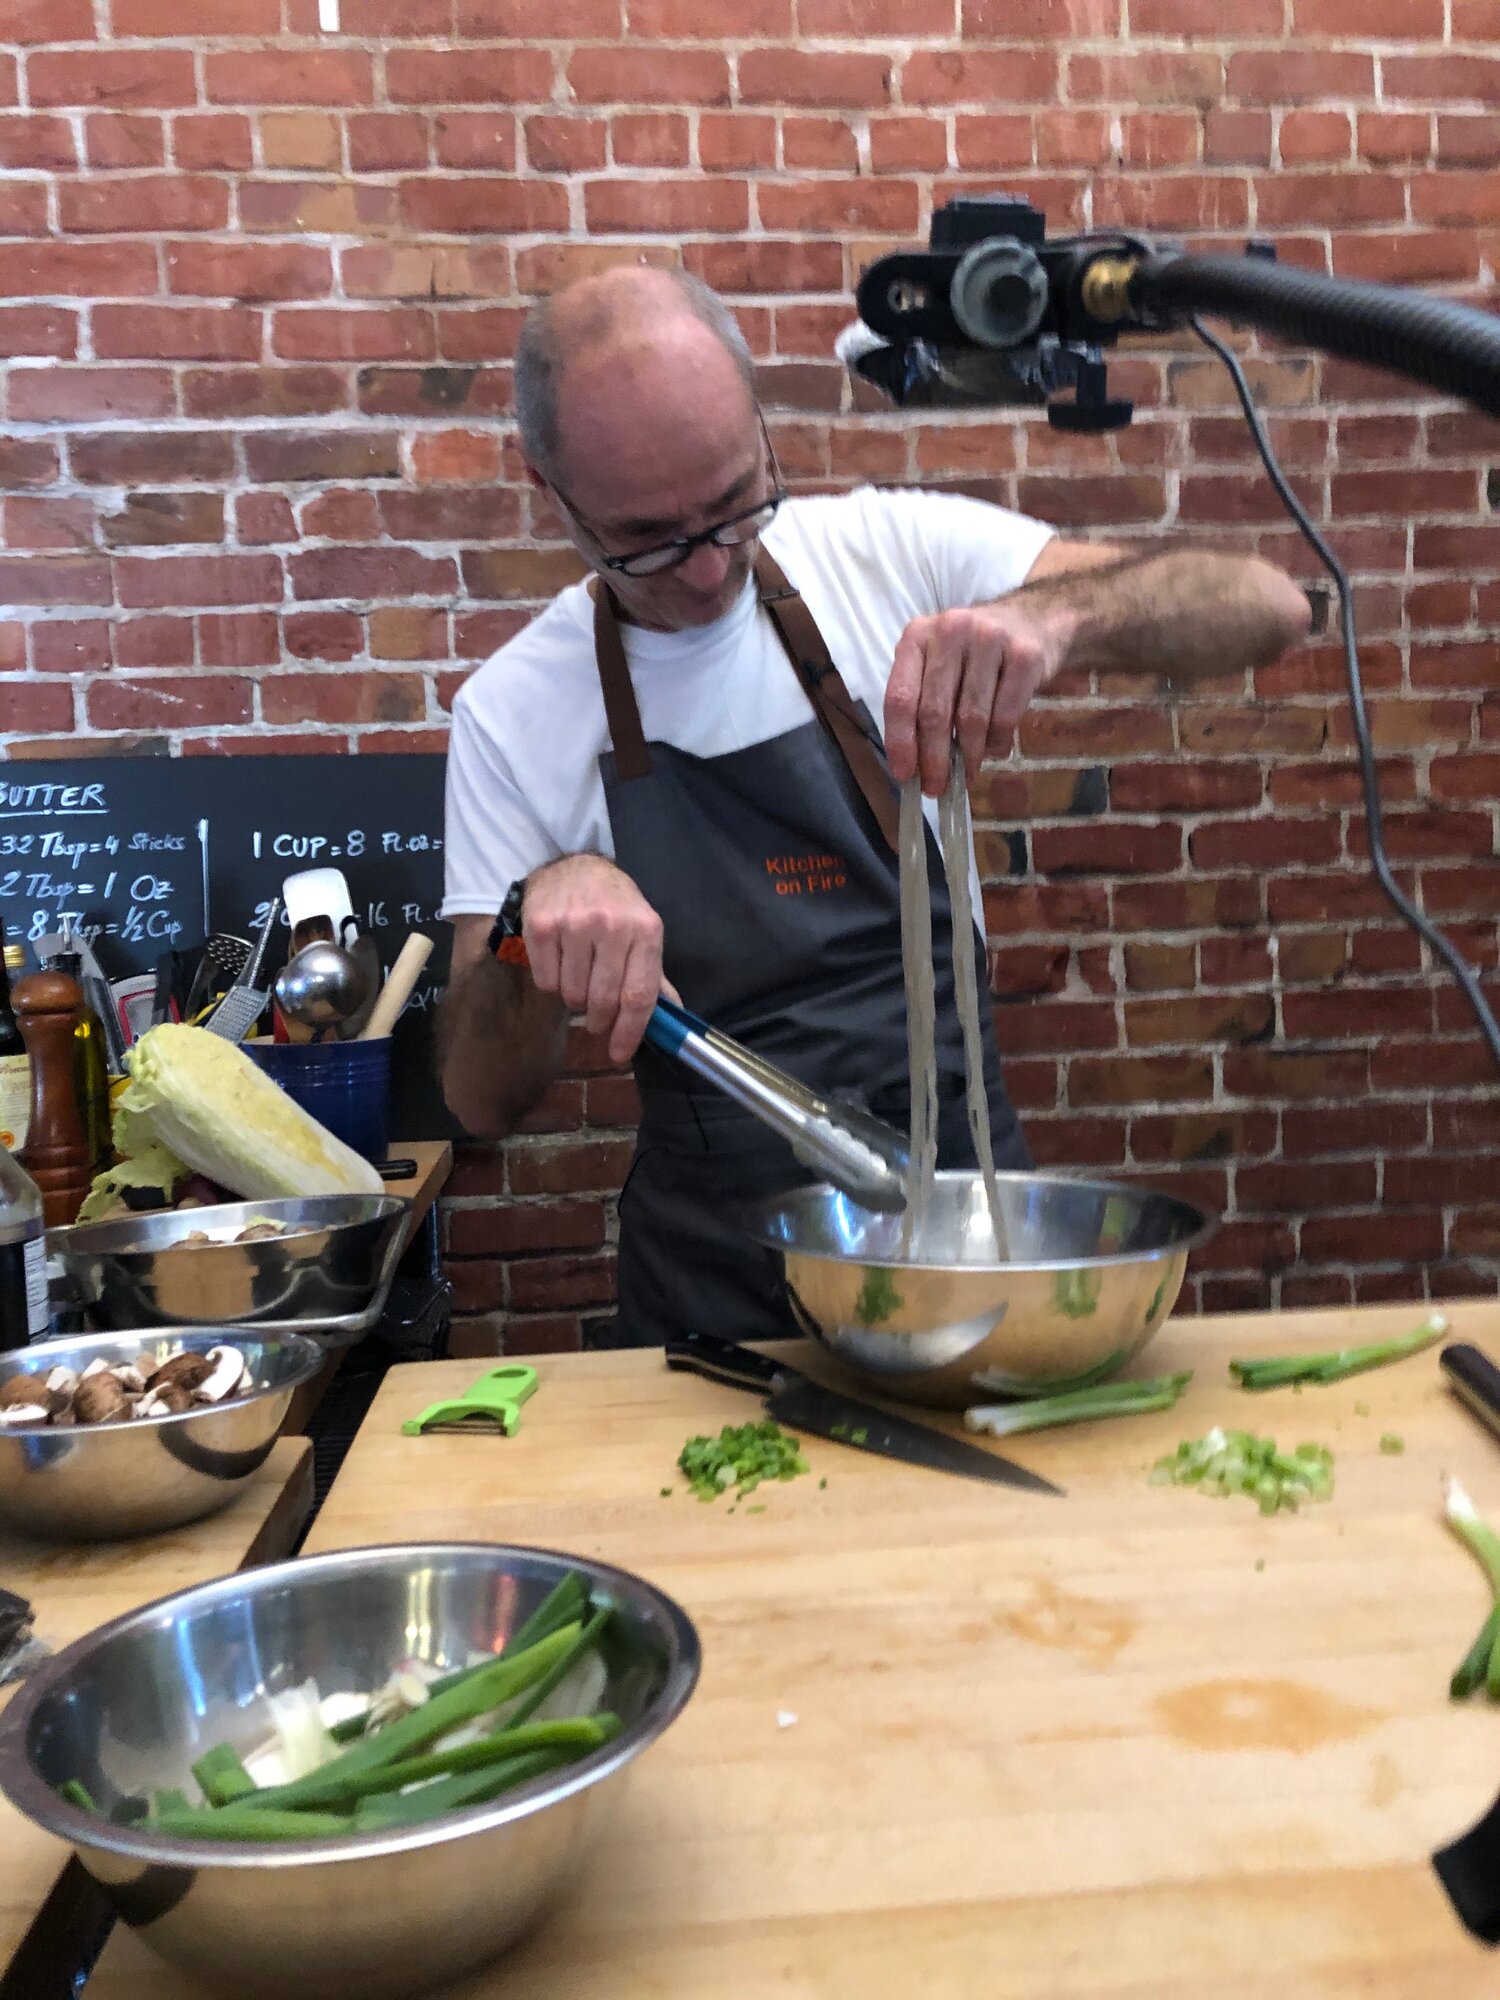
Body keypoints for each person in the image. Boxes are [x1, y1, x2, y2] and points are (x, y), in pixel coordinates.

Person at [439, 265, 1310, 1345]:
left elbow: (1266, 605)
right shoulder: (513, 713)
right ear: (546, 486)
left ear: (759, 427)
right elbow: (482, 1097)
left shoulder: (886, 556)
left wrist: (1061, 619)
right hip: (719, 1297)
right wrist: (531, 921)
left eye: (734, 504)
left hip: (966, 1236)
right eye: (647, 540)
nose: (710, 574)